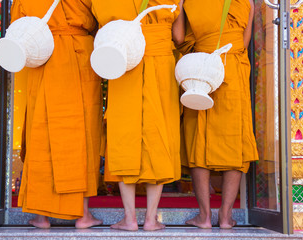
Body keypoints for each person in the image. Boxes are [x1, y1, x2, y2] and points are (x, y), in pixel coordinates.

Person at [91, 0, 181, 231]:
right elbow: (179, 37)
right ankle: (151, 219)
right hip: (161, 61)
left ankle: (130, 219)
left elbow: (100, 25)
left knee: (124, 134)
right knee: (158, 133)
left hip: (125, 59)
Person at [12, 0, 103, 228]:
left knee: (42, 134)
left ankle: (42, 216)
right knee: (82, 136)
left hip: (43, 56)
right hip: (80, 54)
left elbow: (17, 28)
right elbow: (99, 20)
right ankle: (83, 215)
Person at [173, 0, 258, 229]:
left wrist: (180, 7)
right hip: (233, 69)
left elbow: (179, 39)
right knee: (235, 142)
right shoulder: (246, 2)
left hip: (201, 71)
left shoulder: (190, 1)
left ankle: (204, 216)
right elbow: (243, 42)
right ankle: (226, 216)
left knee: (199, 141)